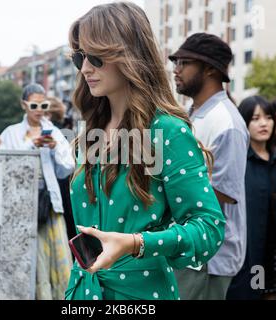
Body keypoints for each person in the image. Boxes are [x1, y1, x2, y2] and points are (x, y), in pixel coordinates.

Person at [65, 2, 225, 300]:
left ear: (129, 55)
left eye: (96, 57)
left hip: (140, 296)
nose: (85, 68)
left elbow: (209, 228)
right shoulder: (90, 135)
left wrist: (136, 243)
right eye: (79, 57)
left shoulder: (167, 132)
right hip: (83, 293)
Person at [170, 32, 249, 300]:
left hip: (210, 256)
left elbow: (225, 193)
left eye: (184, 63)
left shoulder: (227, 123)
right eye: (175, 62)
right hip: (187, 246)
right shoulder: (192, 114)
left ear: (210, 70)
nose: (176, 70)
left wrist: (167, 192)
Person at [0, 83, 74, 300]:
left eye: (43, 104)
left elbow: (67, 168)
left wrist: (54, 149)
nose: (39, 109)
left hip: (50, 203)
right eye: (34, 105)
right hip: (21, 205)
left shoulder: (55, 132)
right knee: (30, 258)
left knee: (57, 259)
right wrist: (32, 147)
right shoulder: (11, 133)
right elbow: (6, 166)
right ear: (24, 105)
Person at [226, 96, 276, 300]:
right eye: (255, 118)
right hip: (248, 255)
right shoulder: (239, 161)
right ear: (244, 122)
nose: (264, 123)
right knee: (252, 292)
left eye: (268, 117)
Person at [45, 96, 77, 240]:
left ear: (48, 114)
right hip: (68, 186)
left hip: (59, 186)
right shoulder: (67, 131)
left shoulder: (52, 133)